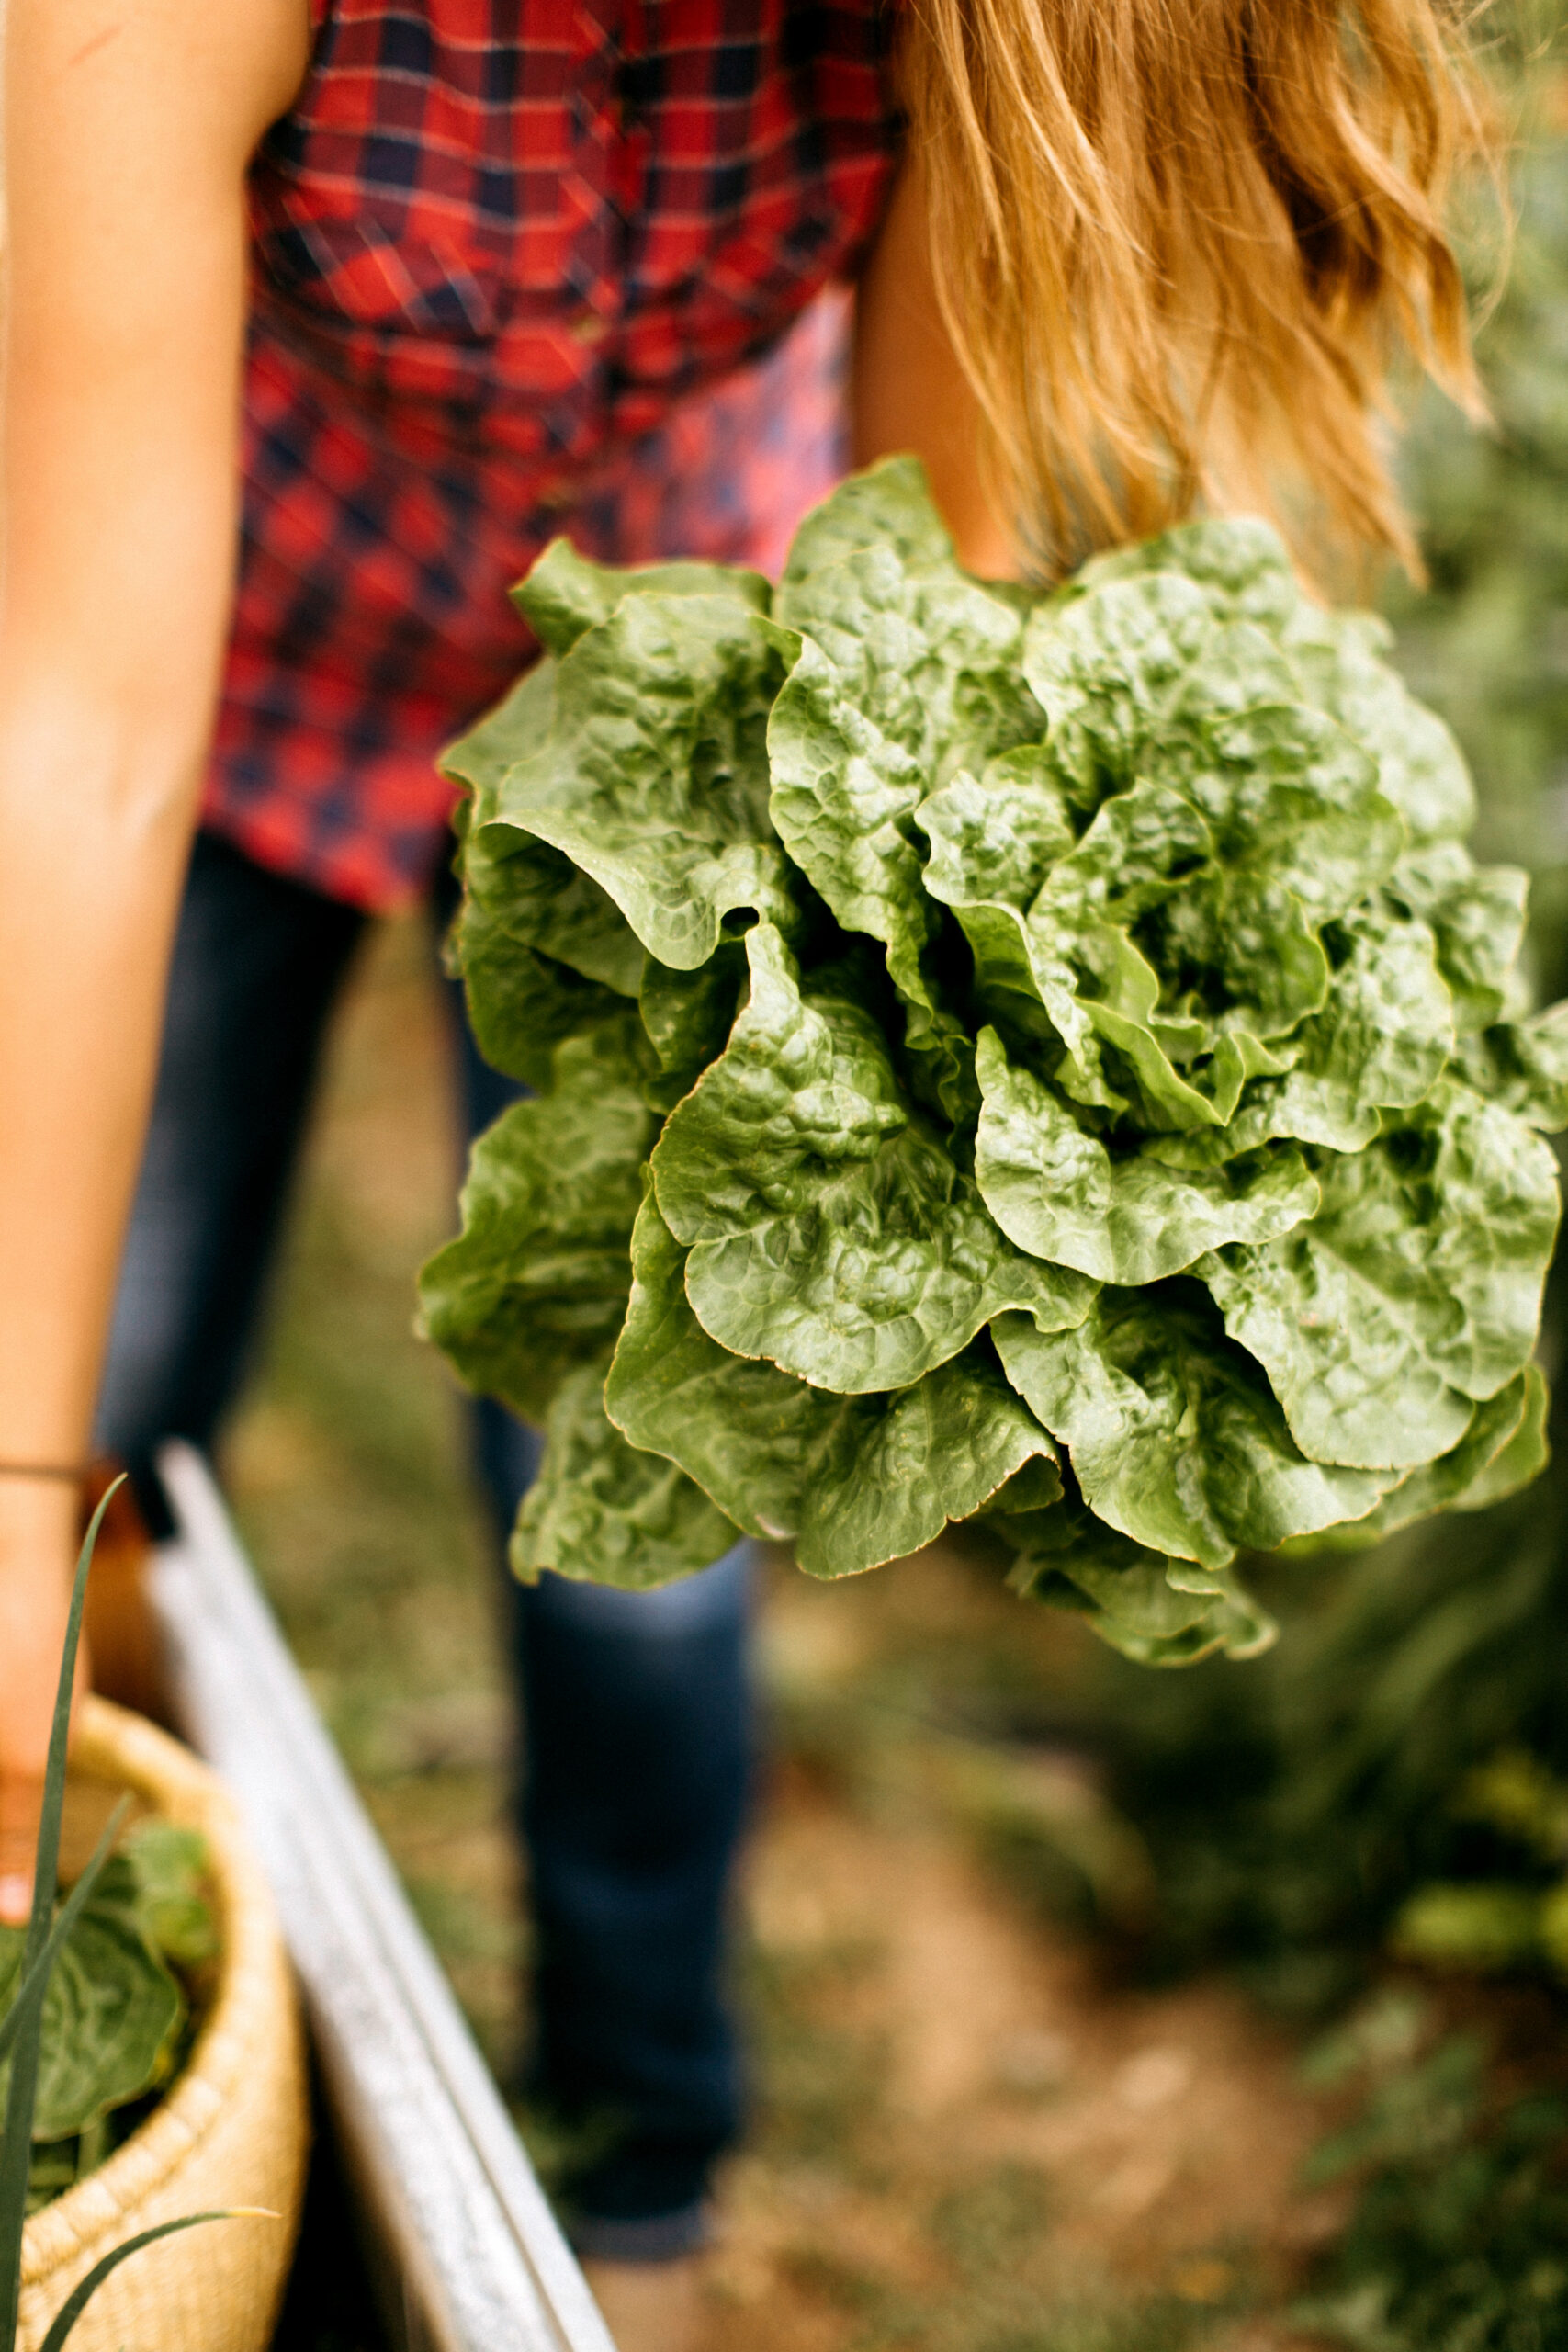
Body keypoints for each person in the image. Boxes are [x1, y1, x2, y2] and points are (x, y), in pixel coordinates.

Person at [0, 0, 1487, 2342]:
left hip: (688, 703)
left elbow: (908, 617)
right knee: (104, 1413)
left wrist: (932, 1209)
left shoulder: (985, 28)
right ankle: (111, 1938)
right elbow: (73, 731)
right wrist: (12, 1475)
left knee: (643, 1554)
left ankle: (642, 2160)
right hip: (235, 640)